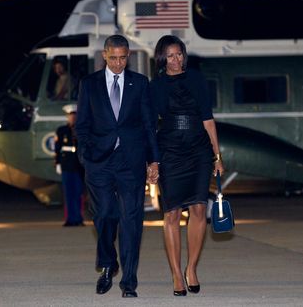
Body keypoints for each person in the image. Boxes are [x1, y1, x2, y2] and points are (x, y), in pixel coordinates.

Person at [75, 35, 160, 298]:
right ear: (104, 55)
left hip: (130, 162)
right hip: (99, 162)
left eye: (123, 58)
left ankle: (129, 282)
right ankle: (109, 264)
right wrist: (86, 156)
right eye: (113, 58)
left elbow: (148, 125)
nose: (118, 63)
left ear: (129, 55)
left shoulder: (140, 83)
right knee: (105, 215)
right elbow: (82, 125)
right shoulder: (89, 84)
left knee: (132, 220)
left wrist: (153, 160)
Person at [149, 35, 225, 296]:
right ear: (162, 58)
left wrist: (217, 155)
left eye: (179, 53)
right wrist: (153, 160)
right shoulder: (155, 86)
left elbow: (208, 119)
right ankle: (175, 274)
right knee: (171, 213)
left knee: (198, 208)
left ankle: (191, 268)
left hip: (199, 150)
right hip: (170, 150)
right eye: (170, 55)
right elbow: (149, 126)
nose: (176, 59)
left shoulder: (196, 79)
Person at [54, 104, 85, 227]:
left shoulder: (81, 129)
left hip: (78, 167)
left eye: (75, 116)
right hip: (66, 166)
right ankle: (70, 219)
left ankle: (78, 218)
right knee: (68, 194)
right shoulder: (62, 130)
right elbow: (57, 148)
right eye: (71, 116)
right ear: (67, 117)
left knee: (78, 193)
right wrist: (57, 163)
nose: (73, 118)